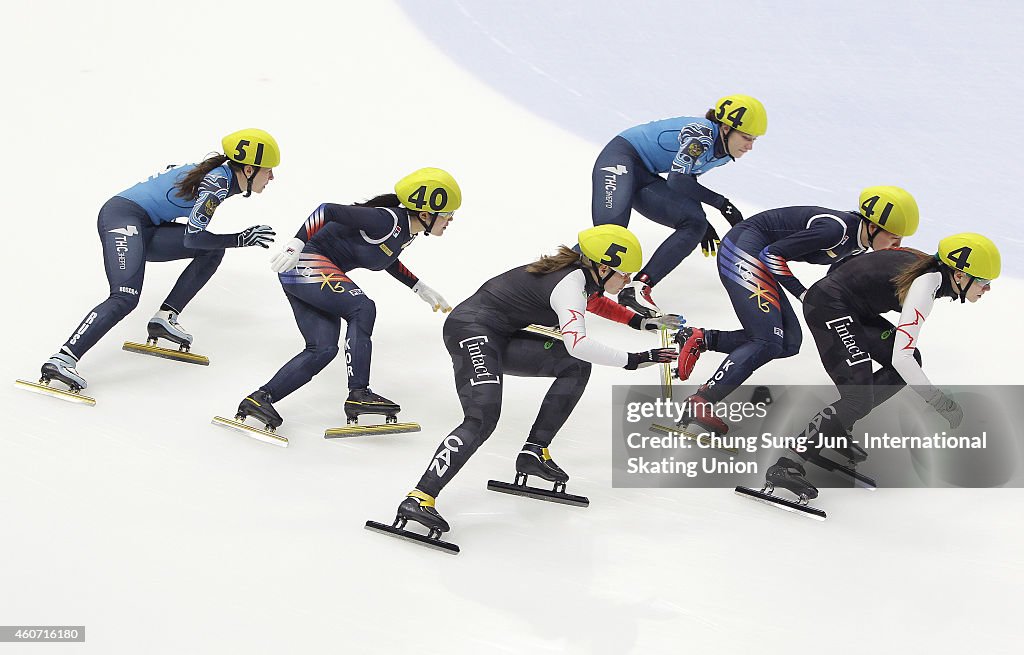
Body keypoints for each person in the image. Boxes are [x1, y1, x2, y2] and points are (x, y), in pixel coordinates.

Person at [383, 224, 680, 539]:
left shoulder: (581, 275)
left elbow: (592, 303)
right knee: (482, 418)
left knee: (575, 366)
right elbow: (577, 341)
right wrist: (634, 360)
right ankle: (419, 498)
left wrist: (640, 321)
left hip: (498, 335)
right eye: (625, 274)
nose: (629, 281)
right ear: (603, 267)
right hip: (470, 331)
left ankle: (533, 454)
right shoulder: (571, 283)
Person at [760, 233, 1001, 502]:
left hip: (850, 308)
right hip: (830, 307)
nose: (987, 289)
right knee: (858, 398)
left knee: (881, 383)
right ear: (958, 275)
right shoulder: (925, 285)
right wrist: (941, 403)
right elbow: (902, 357)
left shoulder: (928, 268)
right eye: (984, 281)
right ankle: (786, 465)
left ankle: (835, 428)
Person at [37, 129, 279, 392]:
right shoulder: (217, 183)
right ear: (248, 169)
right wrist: (239, 239)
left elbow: (172, 182)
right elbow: (193, 239)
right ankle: (62, 359)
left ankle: (164, 318)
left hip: (147, 226)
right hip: (123, 218)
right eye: (268, 170)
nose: (272, 177)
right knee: (125, 296)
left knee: (212, 251)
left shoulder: (219, 176)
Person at [675, 186, 920, 436]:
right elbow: (771, 254)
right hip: (743, 249)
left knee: (789, 342)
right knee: (767, 339)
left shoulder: (858, 244)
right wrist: (804, 295)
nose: (897, 244)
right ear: (872, 226)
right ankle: (702, 401)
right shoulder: (837, 230)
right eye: (894, 236)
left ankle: (702, 338)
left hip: (755, 253)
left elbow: (835, 281)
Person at [232, 168, 462, 431]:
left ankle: (260, 399)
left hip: (306, 274)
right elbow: (327, 209)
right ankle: (359, 393)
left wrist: (418, 286)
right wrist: (296, 243)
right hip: (303, 262)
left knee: (323, 349)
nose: (451, 220)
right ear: (425, 214)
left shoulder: (404, 233)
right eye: (448, 215)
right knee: (363, 308)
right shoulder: (386, 220)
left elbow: (384, 256)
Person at [591, 94, 767, 318]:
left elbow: (687, 178)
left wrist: (704, 220)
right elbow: (676, 179)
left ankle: (639, 288)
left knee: (695, 223)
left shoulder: (724, 152)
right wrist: (723, 204)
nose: (750, 146)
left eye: (754, 140)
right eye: (746, 137)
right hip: (621, 156)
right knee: (609, 235)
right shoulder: (701, 135)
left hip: (645, 174)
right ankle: (553, 285)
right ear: (725, 128)